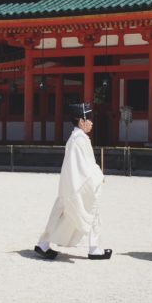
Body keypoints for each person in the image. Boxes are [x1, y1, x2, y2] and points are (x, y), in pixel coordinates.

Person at [34, 101, 111, 260]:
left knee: (62, 212)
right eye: (88, 119)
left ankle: (44, 244)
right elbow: (83, 167)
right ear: (81, 121)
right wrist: (97, 175)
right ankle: (94, 249)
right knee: (89, 210)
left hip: (71, 184)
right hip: (76, 185)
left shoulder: (78, 138)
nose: (91, 122)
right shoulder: (79, 139)